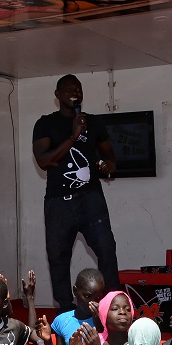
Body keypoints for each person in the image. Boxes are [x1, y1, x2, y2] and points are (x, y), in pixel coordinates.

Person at [32, 74, 119, 311]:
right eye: (69, 89)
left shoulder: (94, 122)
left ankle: (113, 304)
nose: (75, 92)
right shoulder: (45, 123)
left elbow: (108, 154)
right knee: (58, 256)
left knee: (107, 249)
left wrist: (108, 163)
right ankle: (65, 309)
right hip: (59, 202)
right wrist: (73, 136)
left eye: (78, 88)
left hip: (91, 200)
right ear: (57, 95)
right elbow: (43, 161)